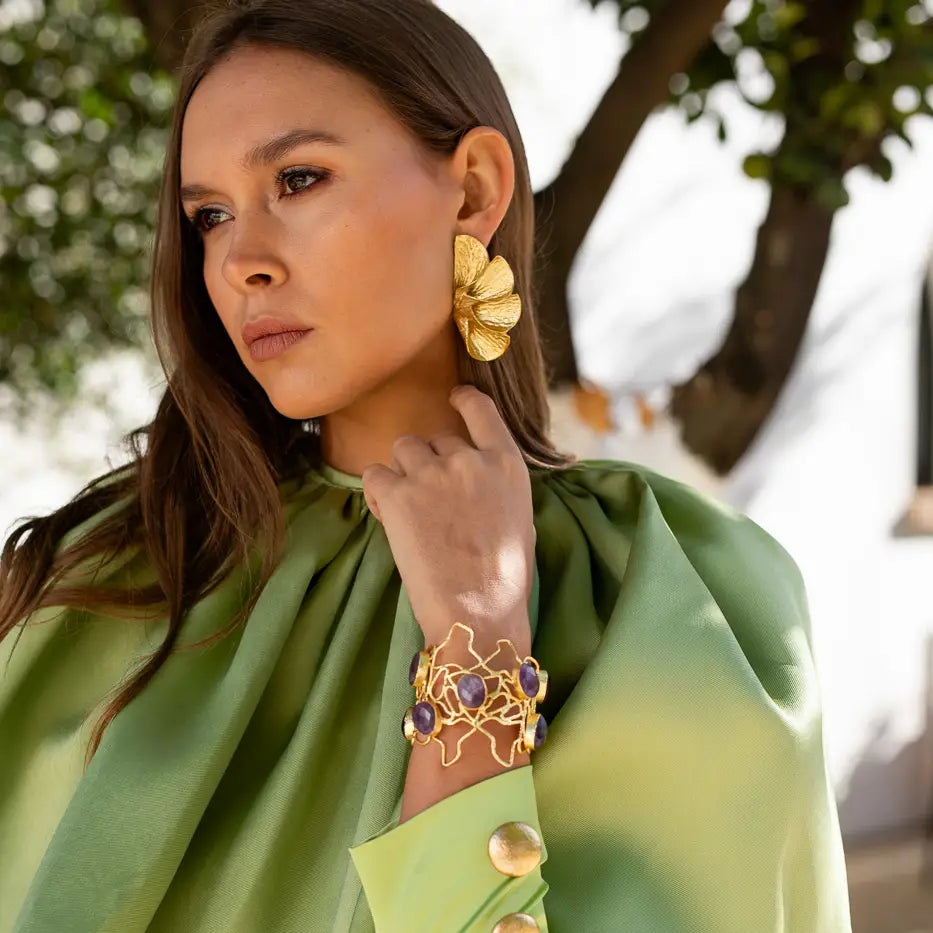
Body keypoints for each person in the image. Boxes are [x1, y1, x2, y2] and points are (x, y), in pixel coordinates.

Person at [0, 1, 853, 930]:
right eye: (209, 215)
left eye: (297, 178)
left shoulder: (675, 596)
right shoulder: (114, 577)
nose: (240, 259)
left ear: (474, 189)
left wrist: (478, 640)